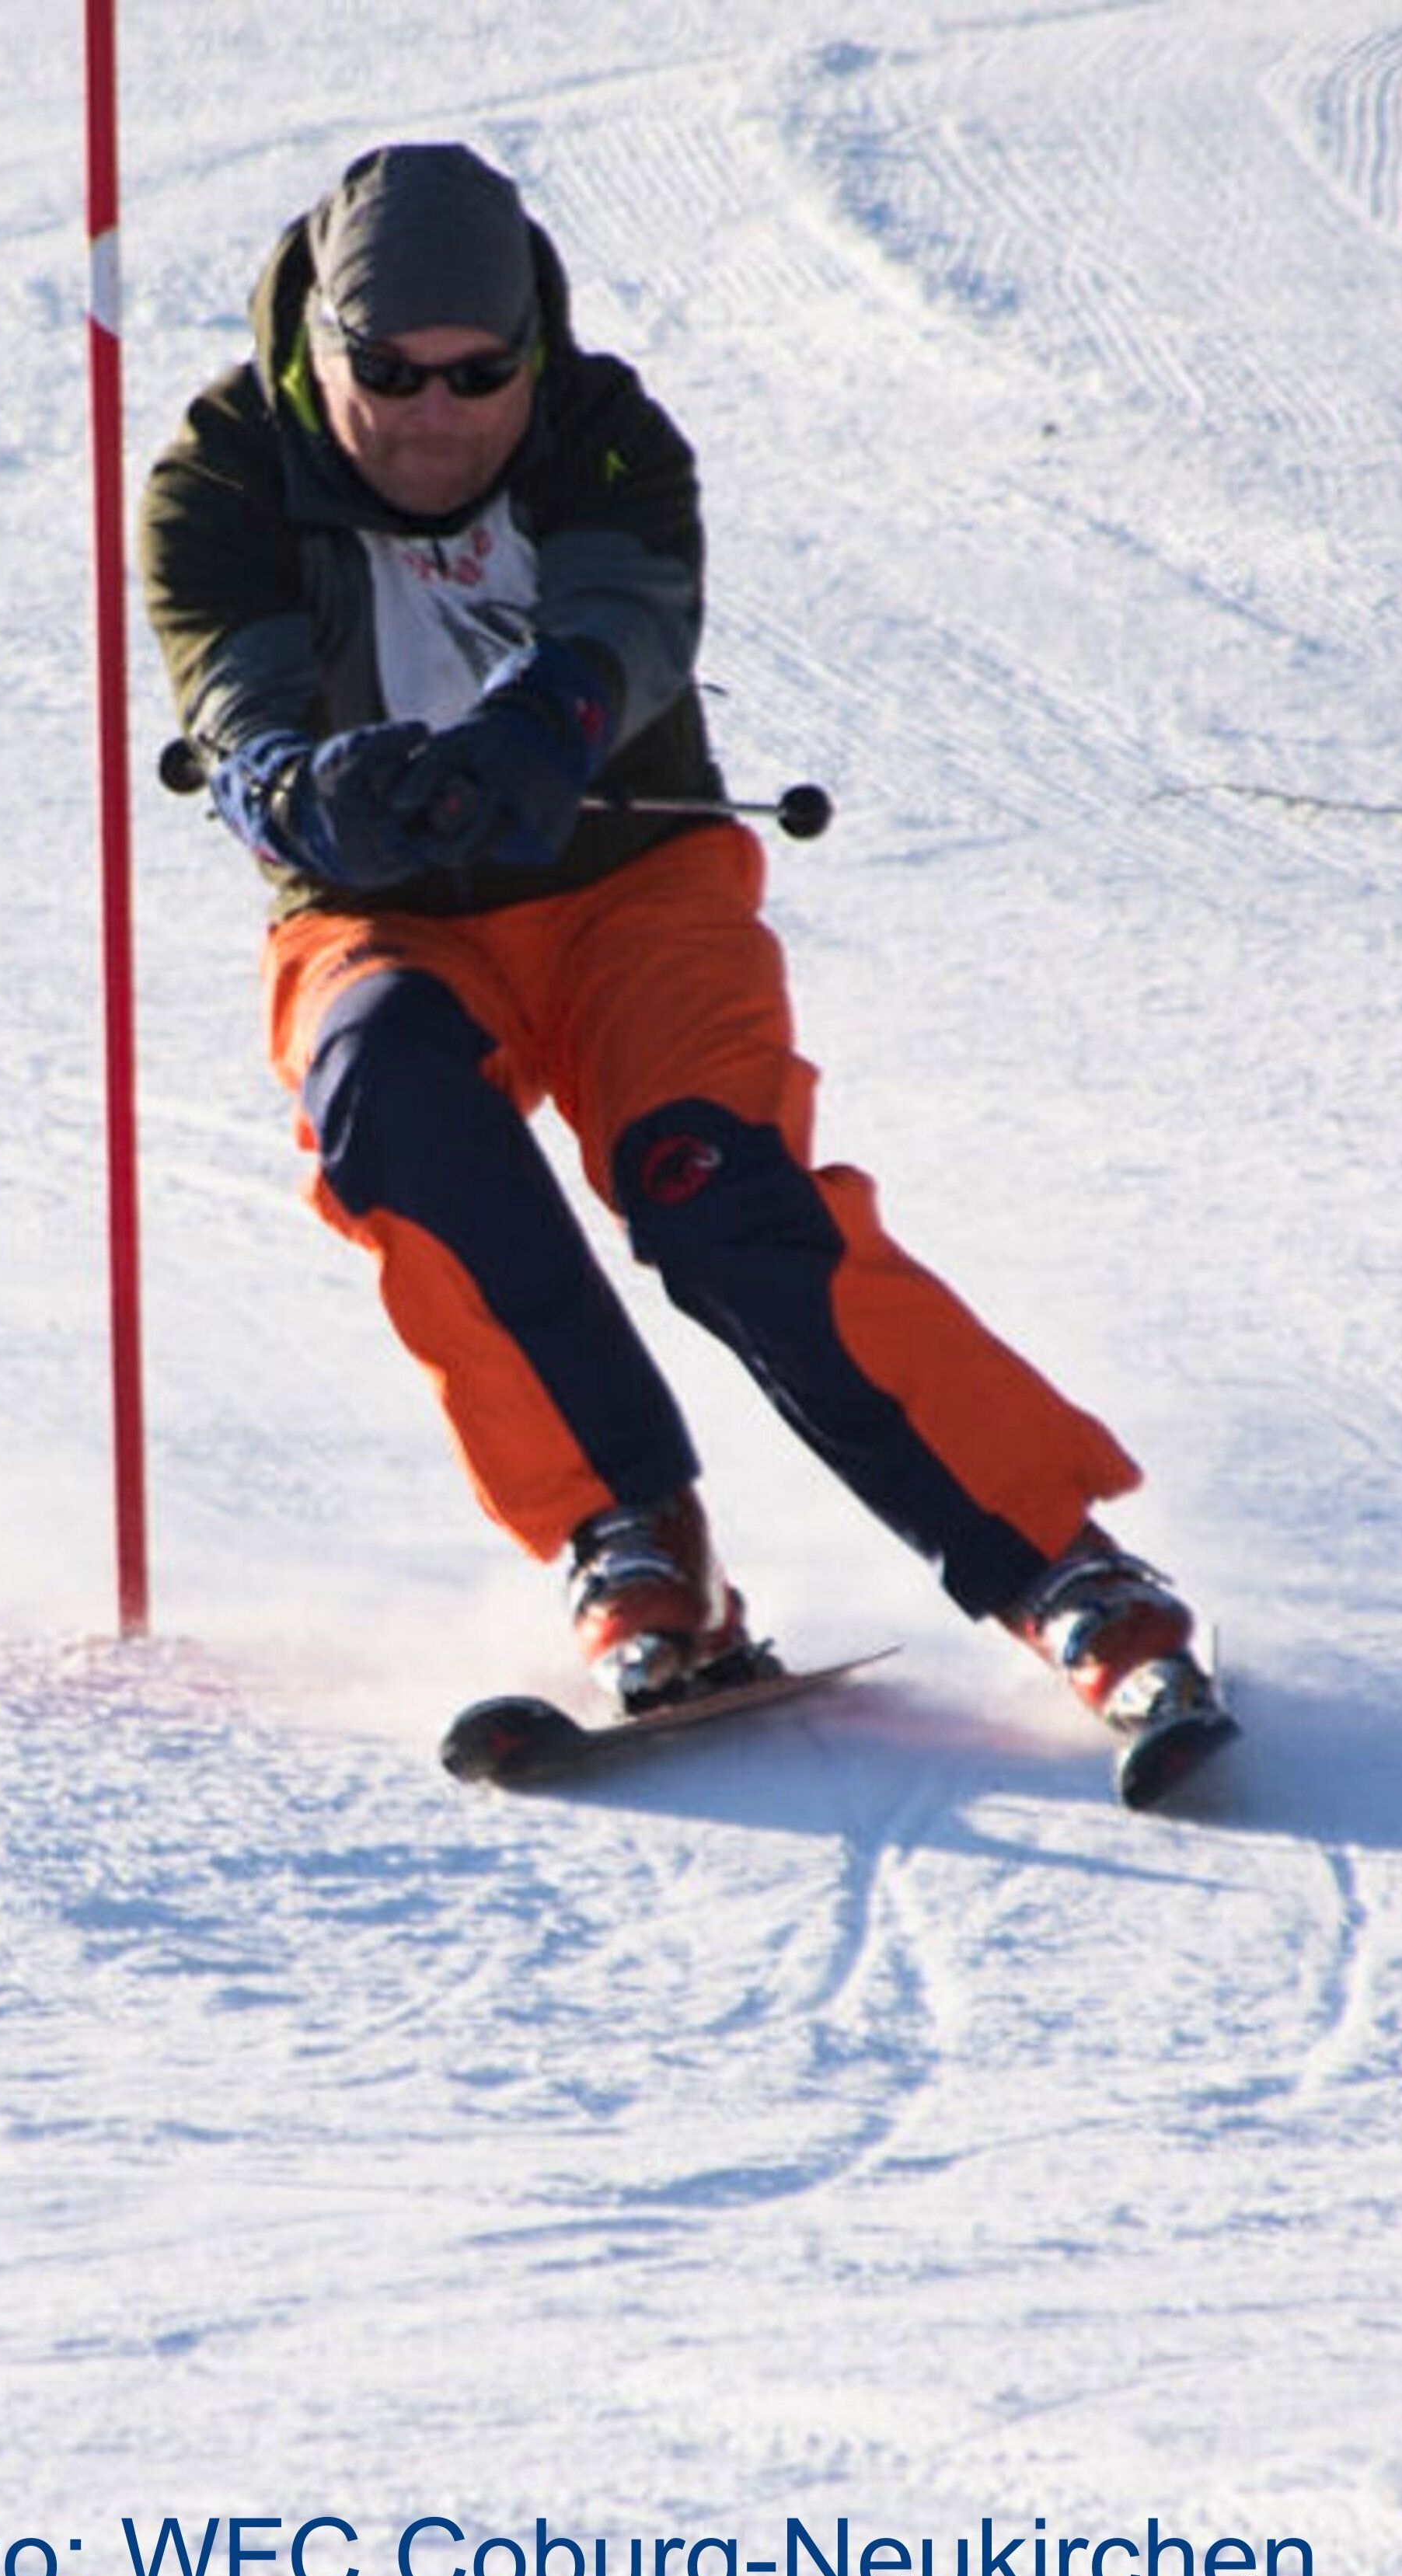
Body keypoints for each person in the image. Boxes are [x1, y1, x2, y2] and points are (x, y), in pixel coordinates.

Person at [137, 141, 1224, 1771]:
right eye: (391, 375)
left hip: (630, 890)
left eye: (477, 375)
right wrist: (296, 786)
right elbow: (235, 705)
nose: (434, 416)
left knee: (715, 1192)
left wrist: (544, 726)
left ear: (531, 351)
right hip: (383, 915)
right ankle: (632, 1535)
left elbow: (625, 625)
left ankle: (1068, 1569)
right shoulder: (225, 472)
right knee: (388, 1101)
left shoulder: (606, 432)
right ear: (325, 352)